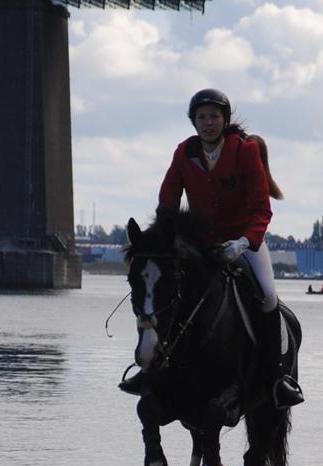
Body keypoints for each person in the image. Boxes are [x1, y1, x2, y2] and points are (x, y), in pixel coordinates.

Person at [120, 88, 304, 409]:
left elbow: (262, 210)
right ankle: (151, 370)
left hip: (245, 242)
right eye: (202, 117)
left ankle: (278, 379)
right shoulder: (183, 153)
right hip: (201, 245)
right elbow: (168, 204)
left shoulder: (243, 151)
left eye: (214, 117)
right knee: (169, 295)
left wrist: (244, 241)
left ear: (224, 120)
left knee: (268, 297)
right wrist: (163, 239)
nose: (208, 123)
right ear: (193, 122)